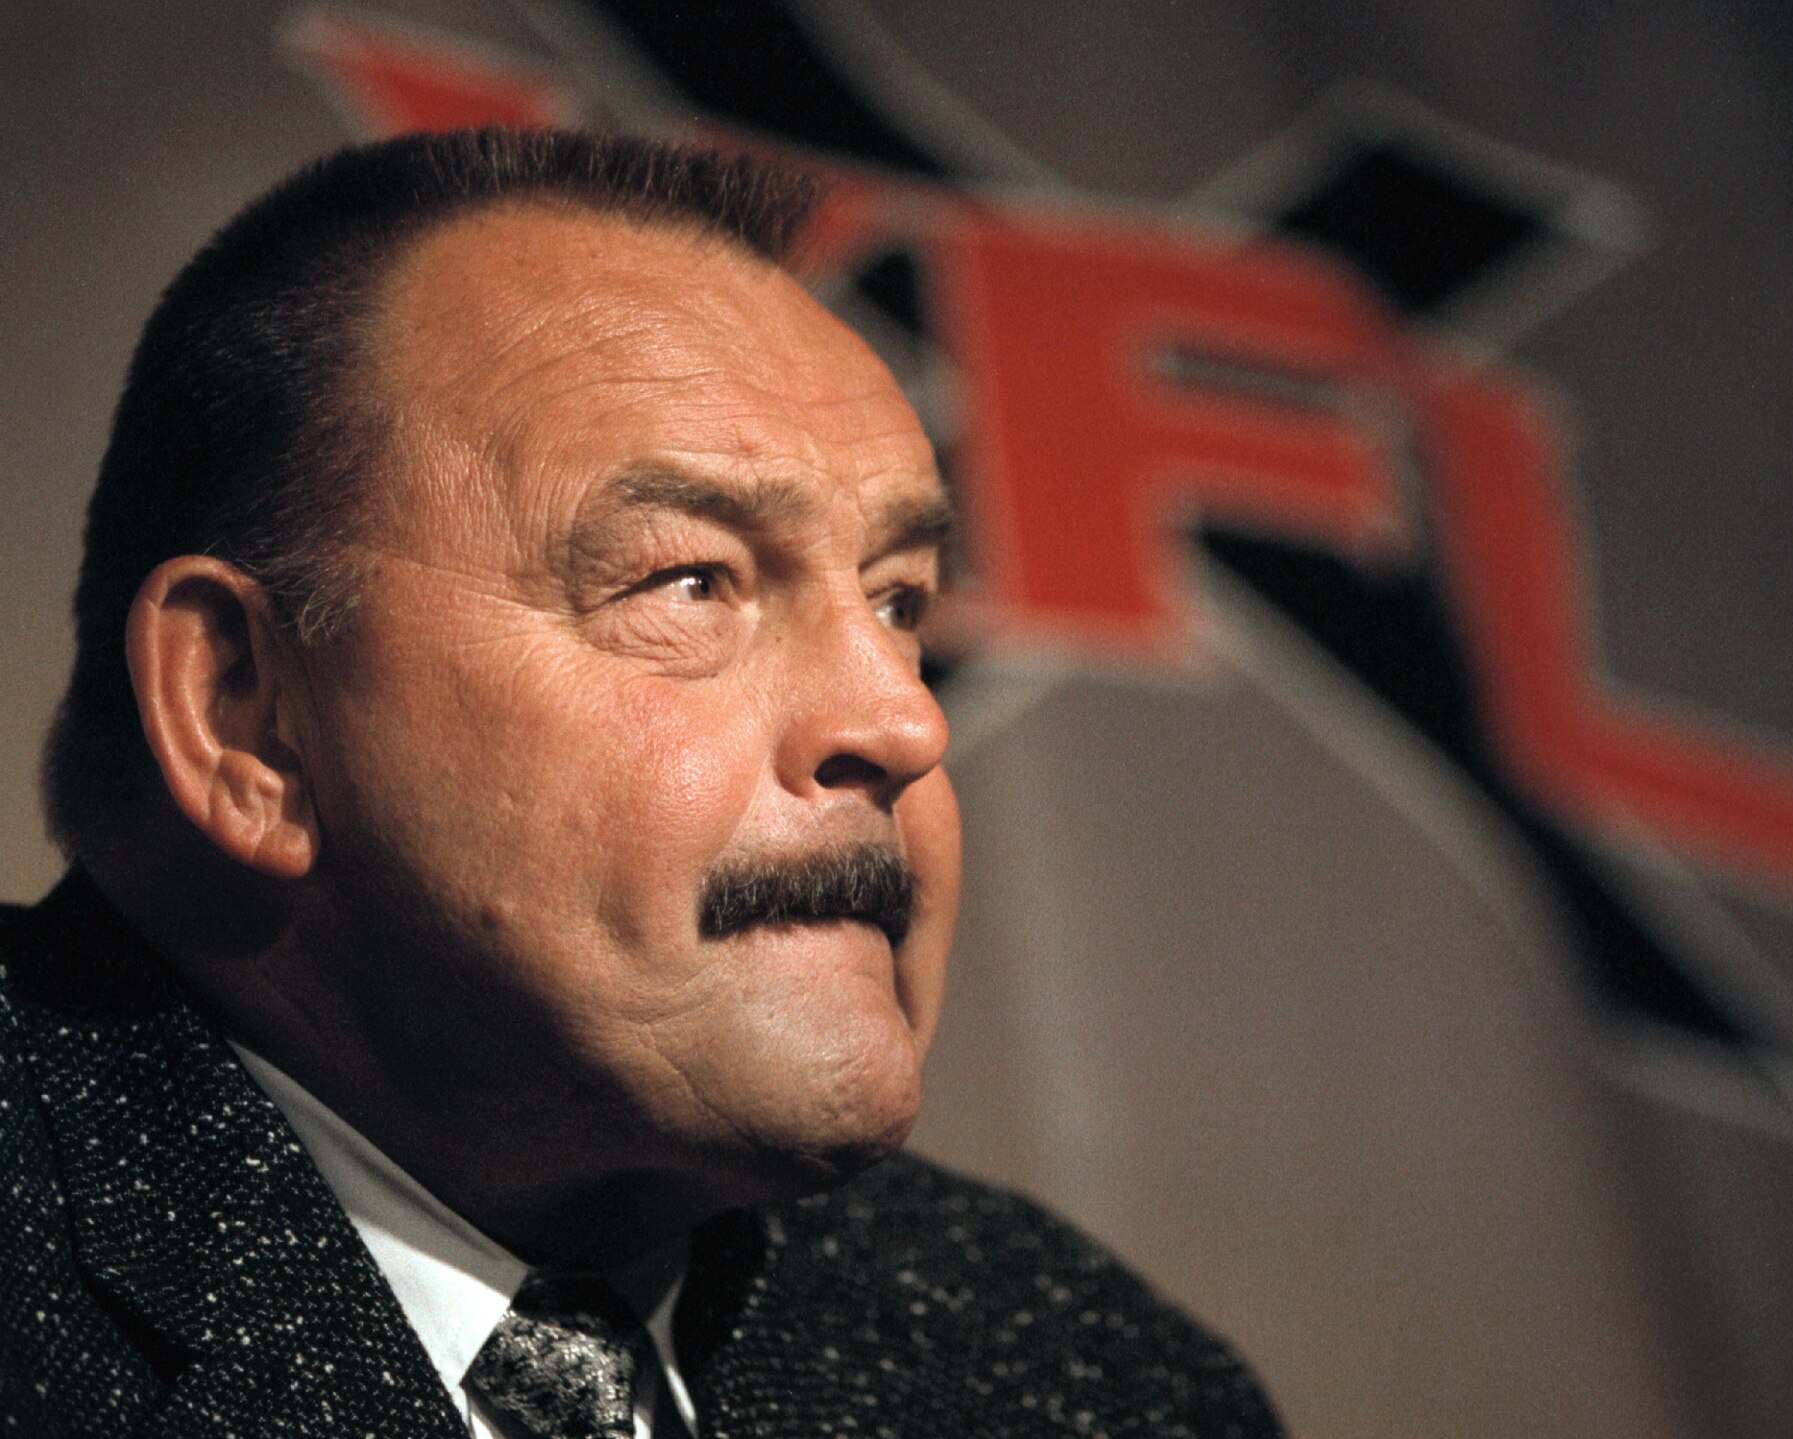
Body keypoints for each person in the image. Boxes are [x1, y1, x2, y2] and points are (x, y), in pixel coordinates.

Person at [0, 128, 1282, 1437]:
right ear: (244, 715)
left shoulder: (1089, 1376)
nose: (904, 722)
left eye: (901, 604)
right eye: (691, 583)